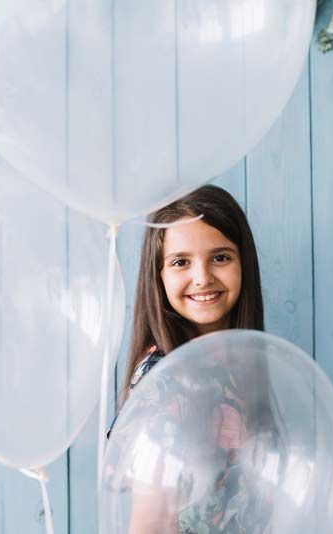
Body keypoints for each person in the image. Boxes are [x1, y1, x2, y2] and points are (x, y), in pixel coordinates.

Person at [110, 184, 280, 534]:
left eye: (220, 257)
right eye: (181, 262)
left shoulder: (239, 365)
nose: (202, 277)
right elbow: (150, 525)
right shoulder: (163, 385)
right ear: (158, 276)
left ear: (243, 263)